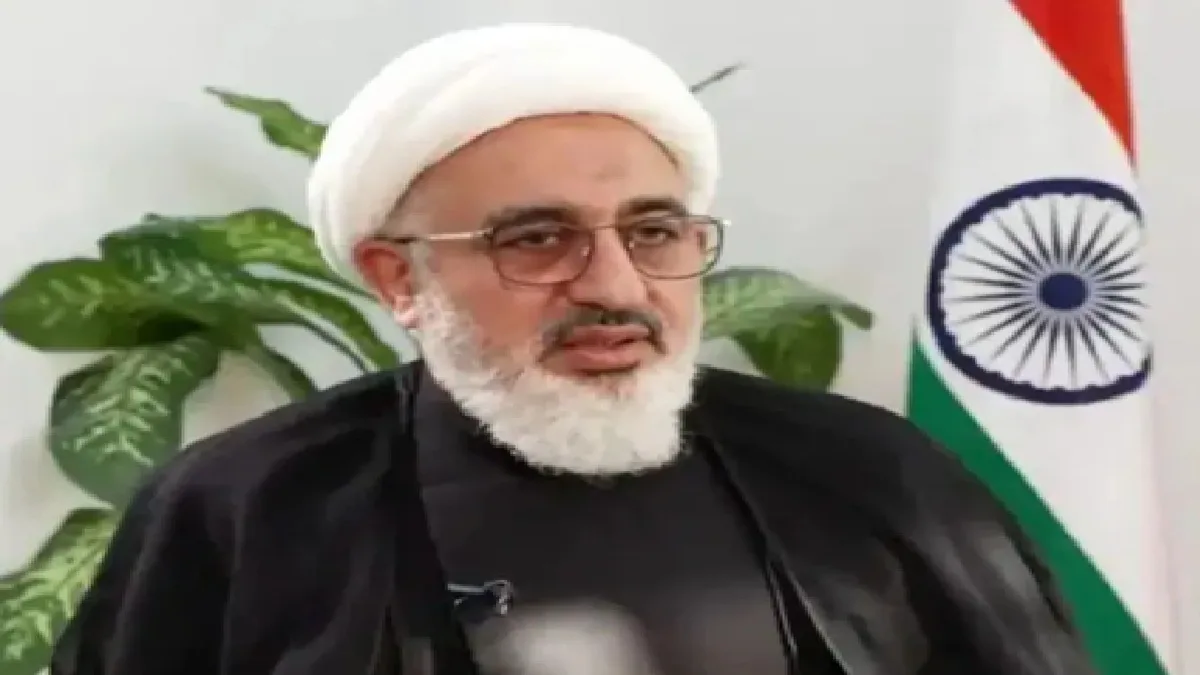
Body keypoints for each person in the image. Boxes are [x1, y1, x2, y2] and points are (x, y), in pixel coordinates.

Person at [51, 23, 1098, 675]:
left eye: (654, 231)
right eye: (536, 239)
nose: (615, 286)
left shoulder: (876, 472)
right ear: (398, 277)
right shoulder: (241, 506)